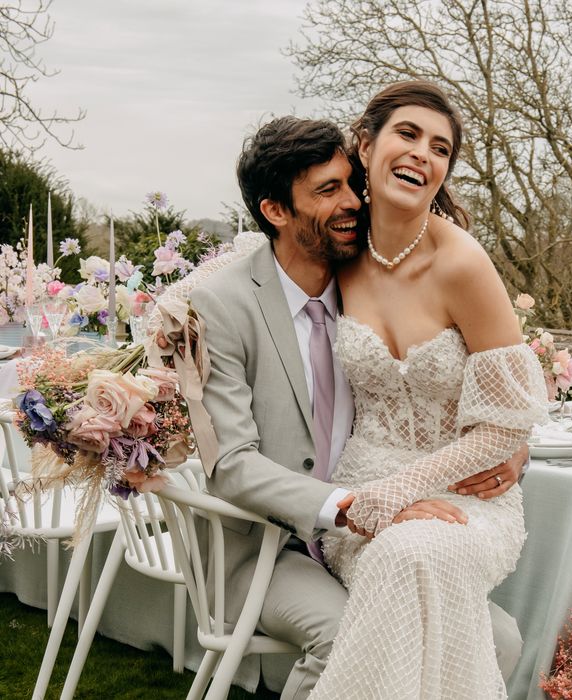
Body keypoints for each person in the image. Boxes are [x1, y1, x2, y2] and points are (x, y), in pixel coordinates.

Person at [184, 115, 531, 699]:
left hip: (376, 535)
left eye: (350, 183)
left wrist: (515, 447)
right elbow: (231, 464)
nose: (352, 202)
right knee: (355, 634)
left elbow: (466, 386)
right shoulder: (223, 302)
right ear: (276, 212)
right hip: (269, 547)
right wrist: (352, 507)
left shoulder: (367, 268)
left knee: (500, 638)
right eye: (327, 191)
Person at [308, 82, 548, 699]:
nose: (422, 154)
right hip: (360, 491)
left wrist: (396, 493)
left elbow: (504, 427)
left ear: (444, 172)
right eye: (408, 135)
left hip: (464, 495)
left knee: (416, 555)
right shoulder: (336, 251)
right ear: (365, 146)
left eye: (439, 148)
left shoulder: (462, 265)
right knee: (406, 564)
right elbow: (247, 275)